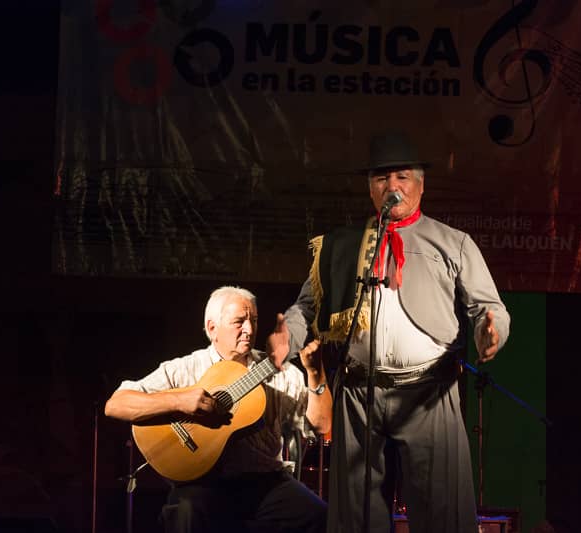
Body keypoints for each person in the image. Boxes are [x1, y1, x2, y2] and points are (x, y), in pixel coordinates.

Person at [283, 131, 511, 533]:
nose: (392, 187)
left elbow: (488, 308)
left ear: (421, 185)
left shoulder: (452, 243)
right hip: (358, 394)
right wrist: (287, 337)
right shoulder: (342, 245)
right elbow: (305, 308)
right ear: (369, 188)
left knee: (441, 513)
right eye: (381, 179)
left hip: (429, 392)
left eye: (402, 177)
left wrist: (490, 331)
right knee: (356, 517)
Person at [105, 286, 331, 532]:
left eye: (253, 320)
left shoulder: (279, 371)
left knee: (321, 516)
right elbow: (116, 405)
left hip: (266, 483)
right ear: (212, 328)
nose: (250, 329)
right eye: (239, 322)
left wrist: (315, 374)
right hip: (203, 484)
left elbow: (322, 425)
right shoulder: (186, 368)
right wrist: (179, 401)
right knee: (186, 512)